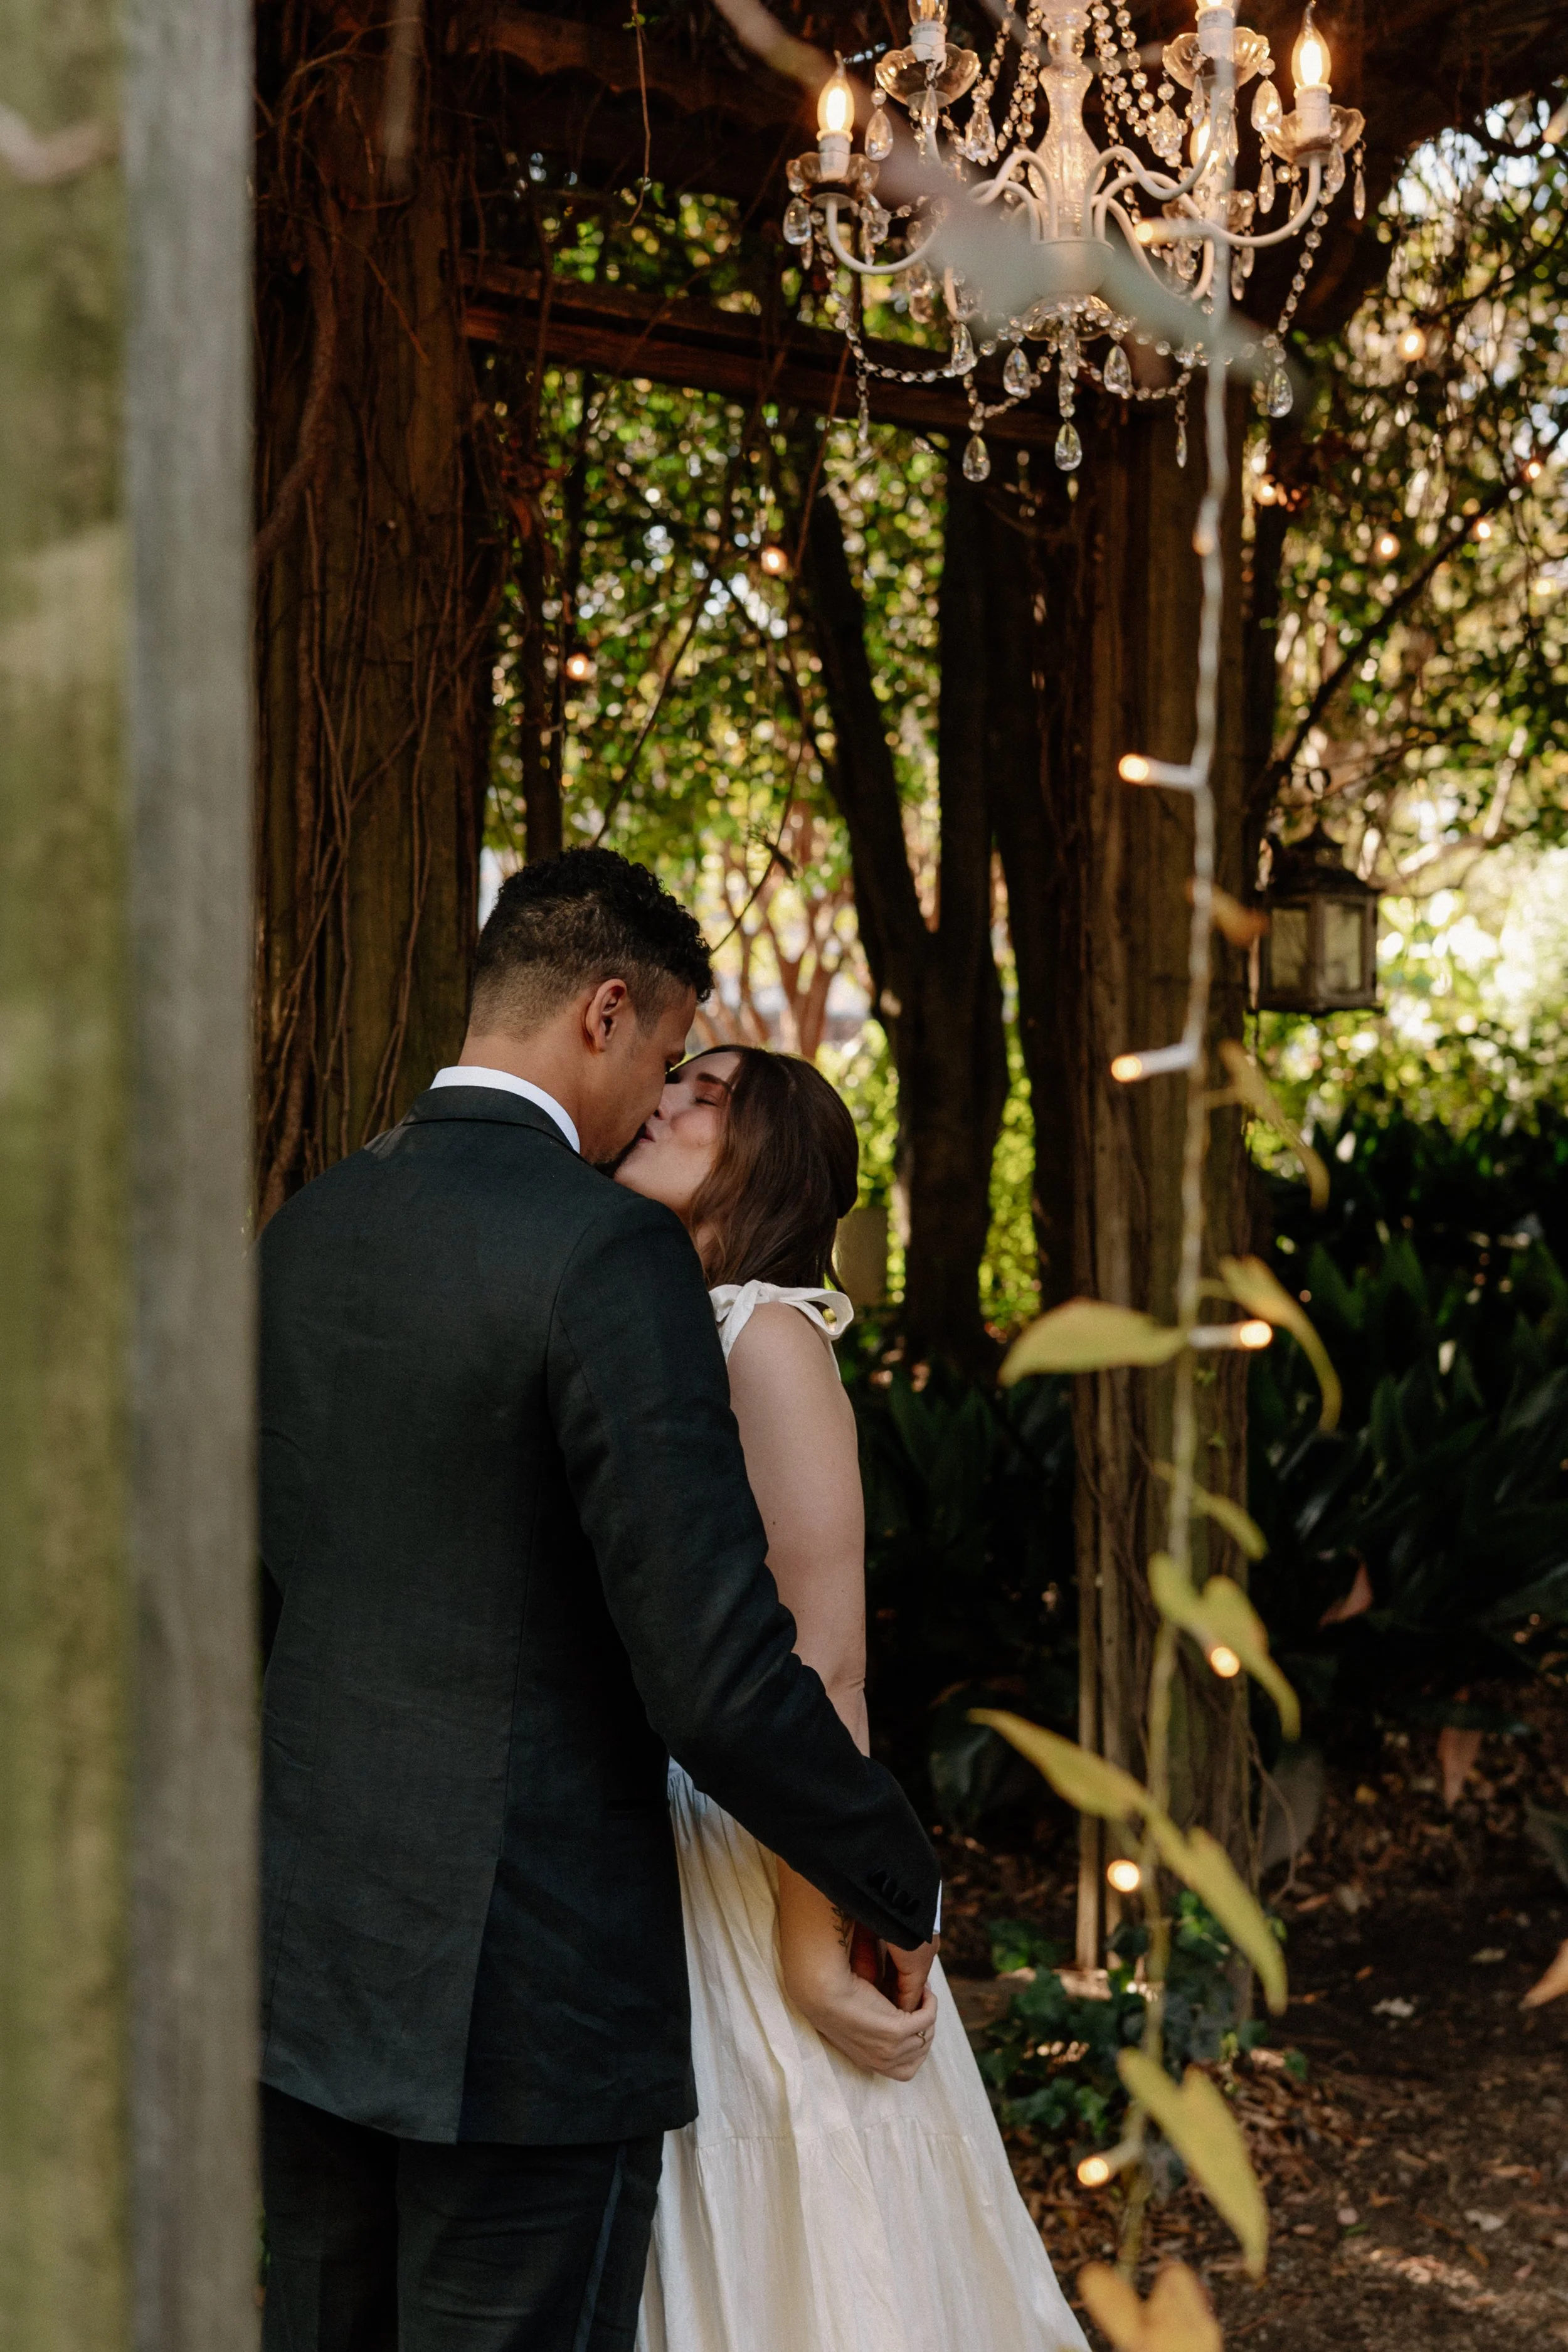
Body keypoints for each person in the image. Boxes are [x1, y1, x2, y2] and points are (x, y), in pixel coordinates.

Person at [257, 850, 941, 2352]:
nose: (657, 1102)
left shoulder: (307, 1232)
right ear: (607, 1012)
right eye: (667, 1059)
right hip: (527, 2003)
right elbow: (709, 1666)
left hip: (304, 1983)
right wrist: (895, 1874)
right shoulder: (603, 1251)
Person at [616, 1046, 1090, 2352]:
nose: (659, 1101)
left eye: (701, 1096)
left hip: (749, 1843)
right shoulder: (652, 1320)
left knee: (803, 2194)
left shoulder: (763, 1334)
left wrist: (814, 1929)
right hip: (639, 1831)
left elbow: (825, 1661)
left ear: (769, 1160)